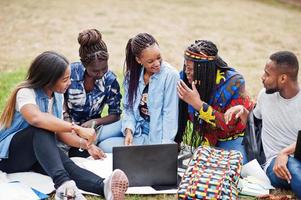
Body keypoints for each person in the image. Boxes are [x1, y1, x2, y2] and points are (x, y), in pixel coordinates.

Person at [0, 51, 128, 200]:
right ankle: (64, 186)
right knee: (41, 130)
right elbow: (37, 119)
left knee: (66, 165)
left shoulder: (58, 96)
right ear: (49, 80)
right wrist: (77, 128)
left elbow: (60, 133)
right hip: (8, 157)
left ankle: (104, 186)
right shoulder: (26, 93)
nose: (69, 83)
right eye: (65, 79)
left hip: (35, 153)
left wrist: (86, 145)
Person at [224, 51, 301, 198]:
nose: (262, 77)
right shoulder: (265, 95)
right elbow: (254, 124)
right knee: (294, 167)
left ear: (283, 78)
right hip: (275, 165)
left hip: (292, 155)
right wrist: (242, 110)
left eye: (267, 74)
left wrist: (285, 152)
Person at [97, 33, 179, 152]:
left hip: (152, 136)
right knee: (97, 135)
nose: (157, 63)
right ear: (139, 60)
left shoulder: (170, 76)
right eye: (150, 61)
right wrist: (128, 129)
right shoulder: (133, 75)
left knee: (104, 145)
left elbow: (170, 115)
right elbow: (128, 108)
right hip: (134, 123)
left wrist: (164, 149)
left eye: (159, 57)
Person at [176, 40, 253, 164]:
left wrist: (199, 105)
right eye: (185, 67)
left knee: (237, 167)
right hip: (205, 138)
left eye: (190, 69)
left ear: (204, 70)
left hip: (230, 137)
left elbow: (228, 124)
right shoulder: (185, 80)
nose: (186, 72)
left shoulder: (233, 84)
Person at [62, 29, 122, 158]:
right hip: (67, 129)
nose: (100, 74)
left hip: (96, 129)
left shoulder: (110, 80)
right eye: (95, 71)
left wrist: (95, 121)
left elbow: (115, 114)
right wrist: (72, 128)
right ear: (84, 64)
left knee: (126, 124)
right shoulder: (70, 74)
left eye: (104, 68)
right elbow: (59, 104)